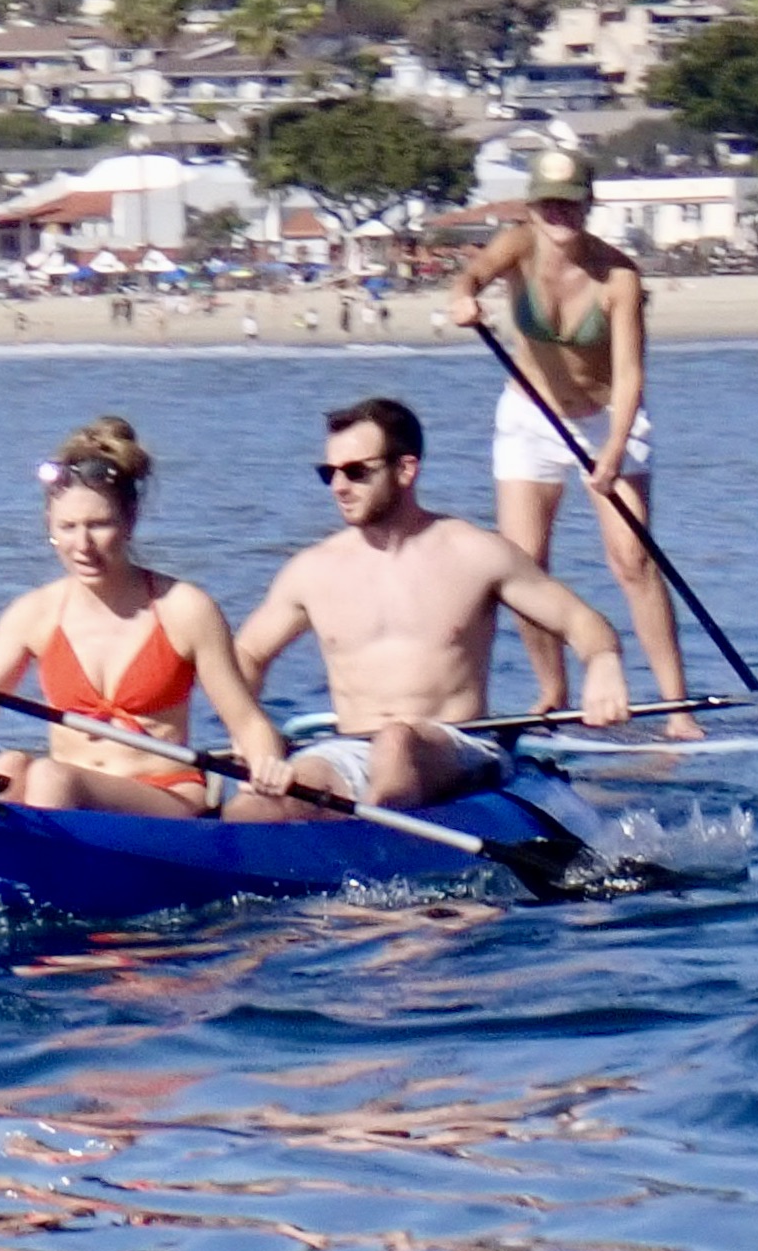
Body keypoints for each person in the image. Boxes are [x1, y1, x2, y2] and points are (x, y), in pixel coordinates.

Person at [229, 397, 628, 816]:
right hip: (347, 751)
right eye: (329, 473)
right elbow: (247, 654)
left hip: (457, 746)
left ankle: (373, 844)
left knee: (397, 743)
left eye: (356, 472)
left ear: (406, 469)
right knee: (254, 808)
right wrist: (248, 727)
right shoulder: (310, 571)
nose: (339, 487)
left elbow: (581, 621)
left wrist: (603, 663)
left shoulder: (476, 553)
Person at [442, 149, 700, 736]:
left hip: (607, 416)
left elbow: (632, 374)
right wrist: (464, 296)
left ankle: (677, 709)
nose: (559, 213)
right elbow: (472, 275)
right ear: (533, 206)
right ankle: (552, 693)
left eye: (571, 202)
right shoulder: (518, 244)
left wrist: (611, 454)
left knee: (632, 558)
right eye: (548, 202)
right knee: (524, 563)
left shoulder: (619, 277)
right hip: (530, 417)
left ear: (588, 205)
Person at [0, 418, 293, 817]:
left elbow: (248, 724)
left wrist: (266, 764)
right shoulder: (32, 614)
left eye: (99, 525)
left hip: (164, 796)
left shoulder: (185, 608)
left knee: (49, 776)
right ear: (49, 526)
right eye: (68, 527)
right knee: (11, 765)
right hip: (69, 796)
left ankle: (46, 873)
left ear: (130, 521)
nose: (82, 545)